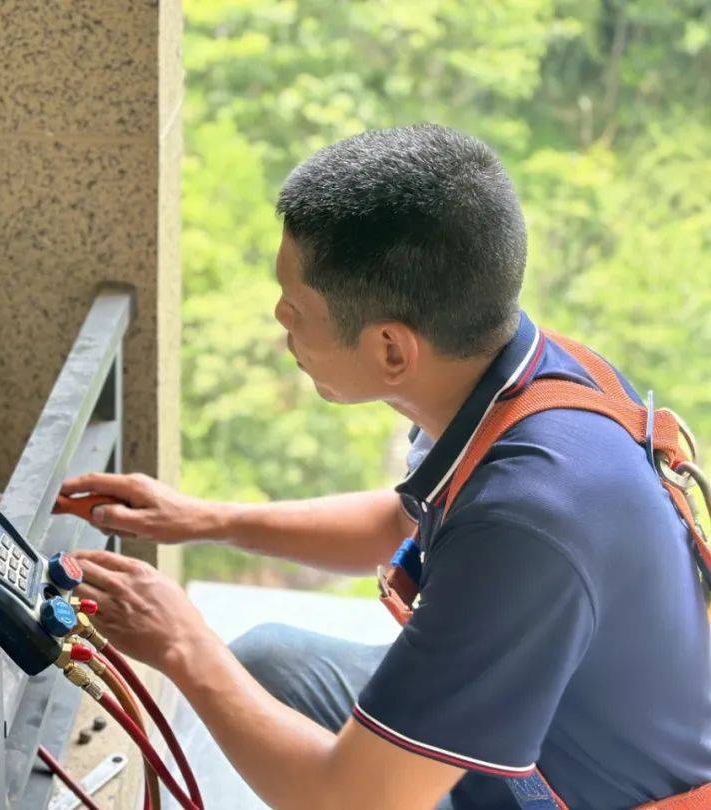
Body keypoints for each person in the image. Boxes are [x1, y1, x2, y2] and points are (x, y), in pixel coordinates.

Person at [64, 124, 711, 809]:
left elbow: (355, 800)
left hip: (575, 793)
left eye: (298, 305)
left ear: (392, 352)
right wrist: (203, 520)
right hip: (537, 723)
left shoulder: (529, 522)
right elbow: (394, 521)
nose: (280, 316)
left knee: (237, 683)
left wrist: (183, 645)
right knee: (266, 666)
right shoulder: (517, 377)